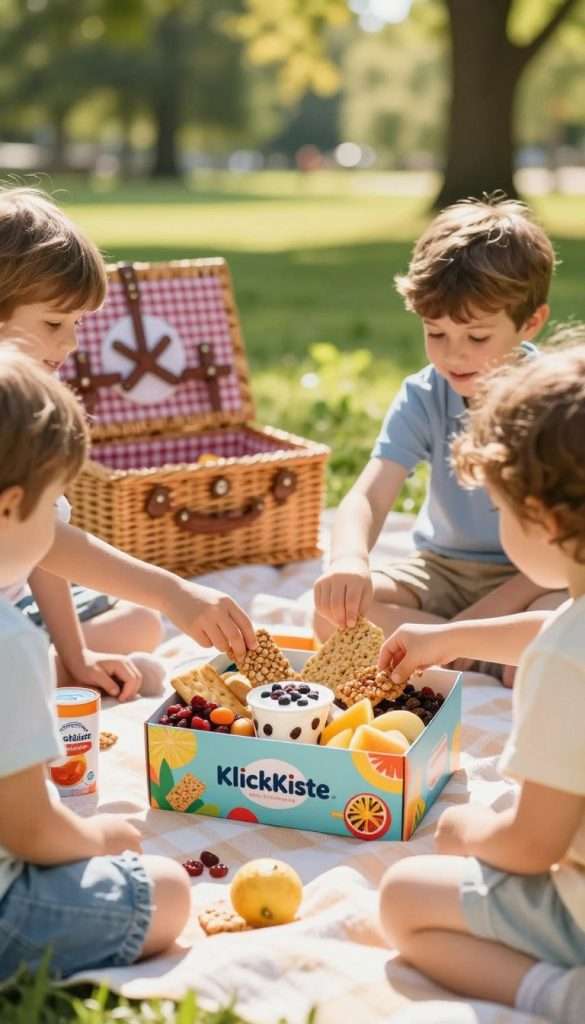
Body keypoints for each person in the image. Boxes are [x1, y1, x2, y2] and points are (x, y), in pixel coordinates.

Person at [379, 342, 585, 1024]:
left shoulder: (564, 659)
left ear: (546, 522)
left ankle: (562, 996)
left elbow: (531, 849)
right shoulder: (566, 634)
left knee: (404, 896)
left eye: (499, 512)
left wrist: (468, 828)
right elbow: (551, 628)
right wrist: (449, 638)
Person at [0, 187, 255, 701]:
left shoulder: (26, 401)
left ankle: (43, 665)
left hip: (11, 592)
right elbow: (49, 539)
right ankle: (29, 673)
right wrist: (170, 589)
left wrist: (77, 654)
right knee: (145, 615)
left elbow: (39, 544)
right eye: (53, 323)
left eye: (75, 325)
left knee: (138, 623)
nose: (70, 344)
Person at [313, 195, 564, 680]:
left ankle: (454, 646)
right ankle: (475, 652)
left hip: (531, 577)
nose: (453, 356)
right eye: (435, 333)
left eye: (476, 337)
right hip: (442, 568)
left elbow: (567, 546)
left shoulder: (556, 402)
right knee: (330, 619)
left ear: (531, 321)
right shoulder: (424, 394)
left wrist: (476, 621)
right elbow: (370, 492)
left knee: (561, 631)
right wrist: (348, 559)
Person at [0, 347, 190, 980]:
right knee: (167, 891)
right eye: (54, 508)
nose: (56, 533)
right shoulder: (11, 642)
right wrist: (101, 838)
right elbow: (29, 830)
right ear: (10, 506)